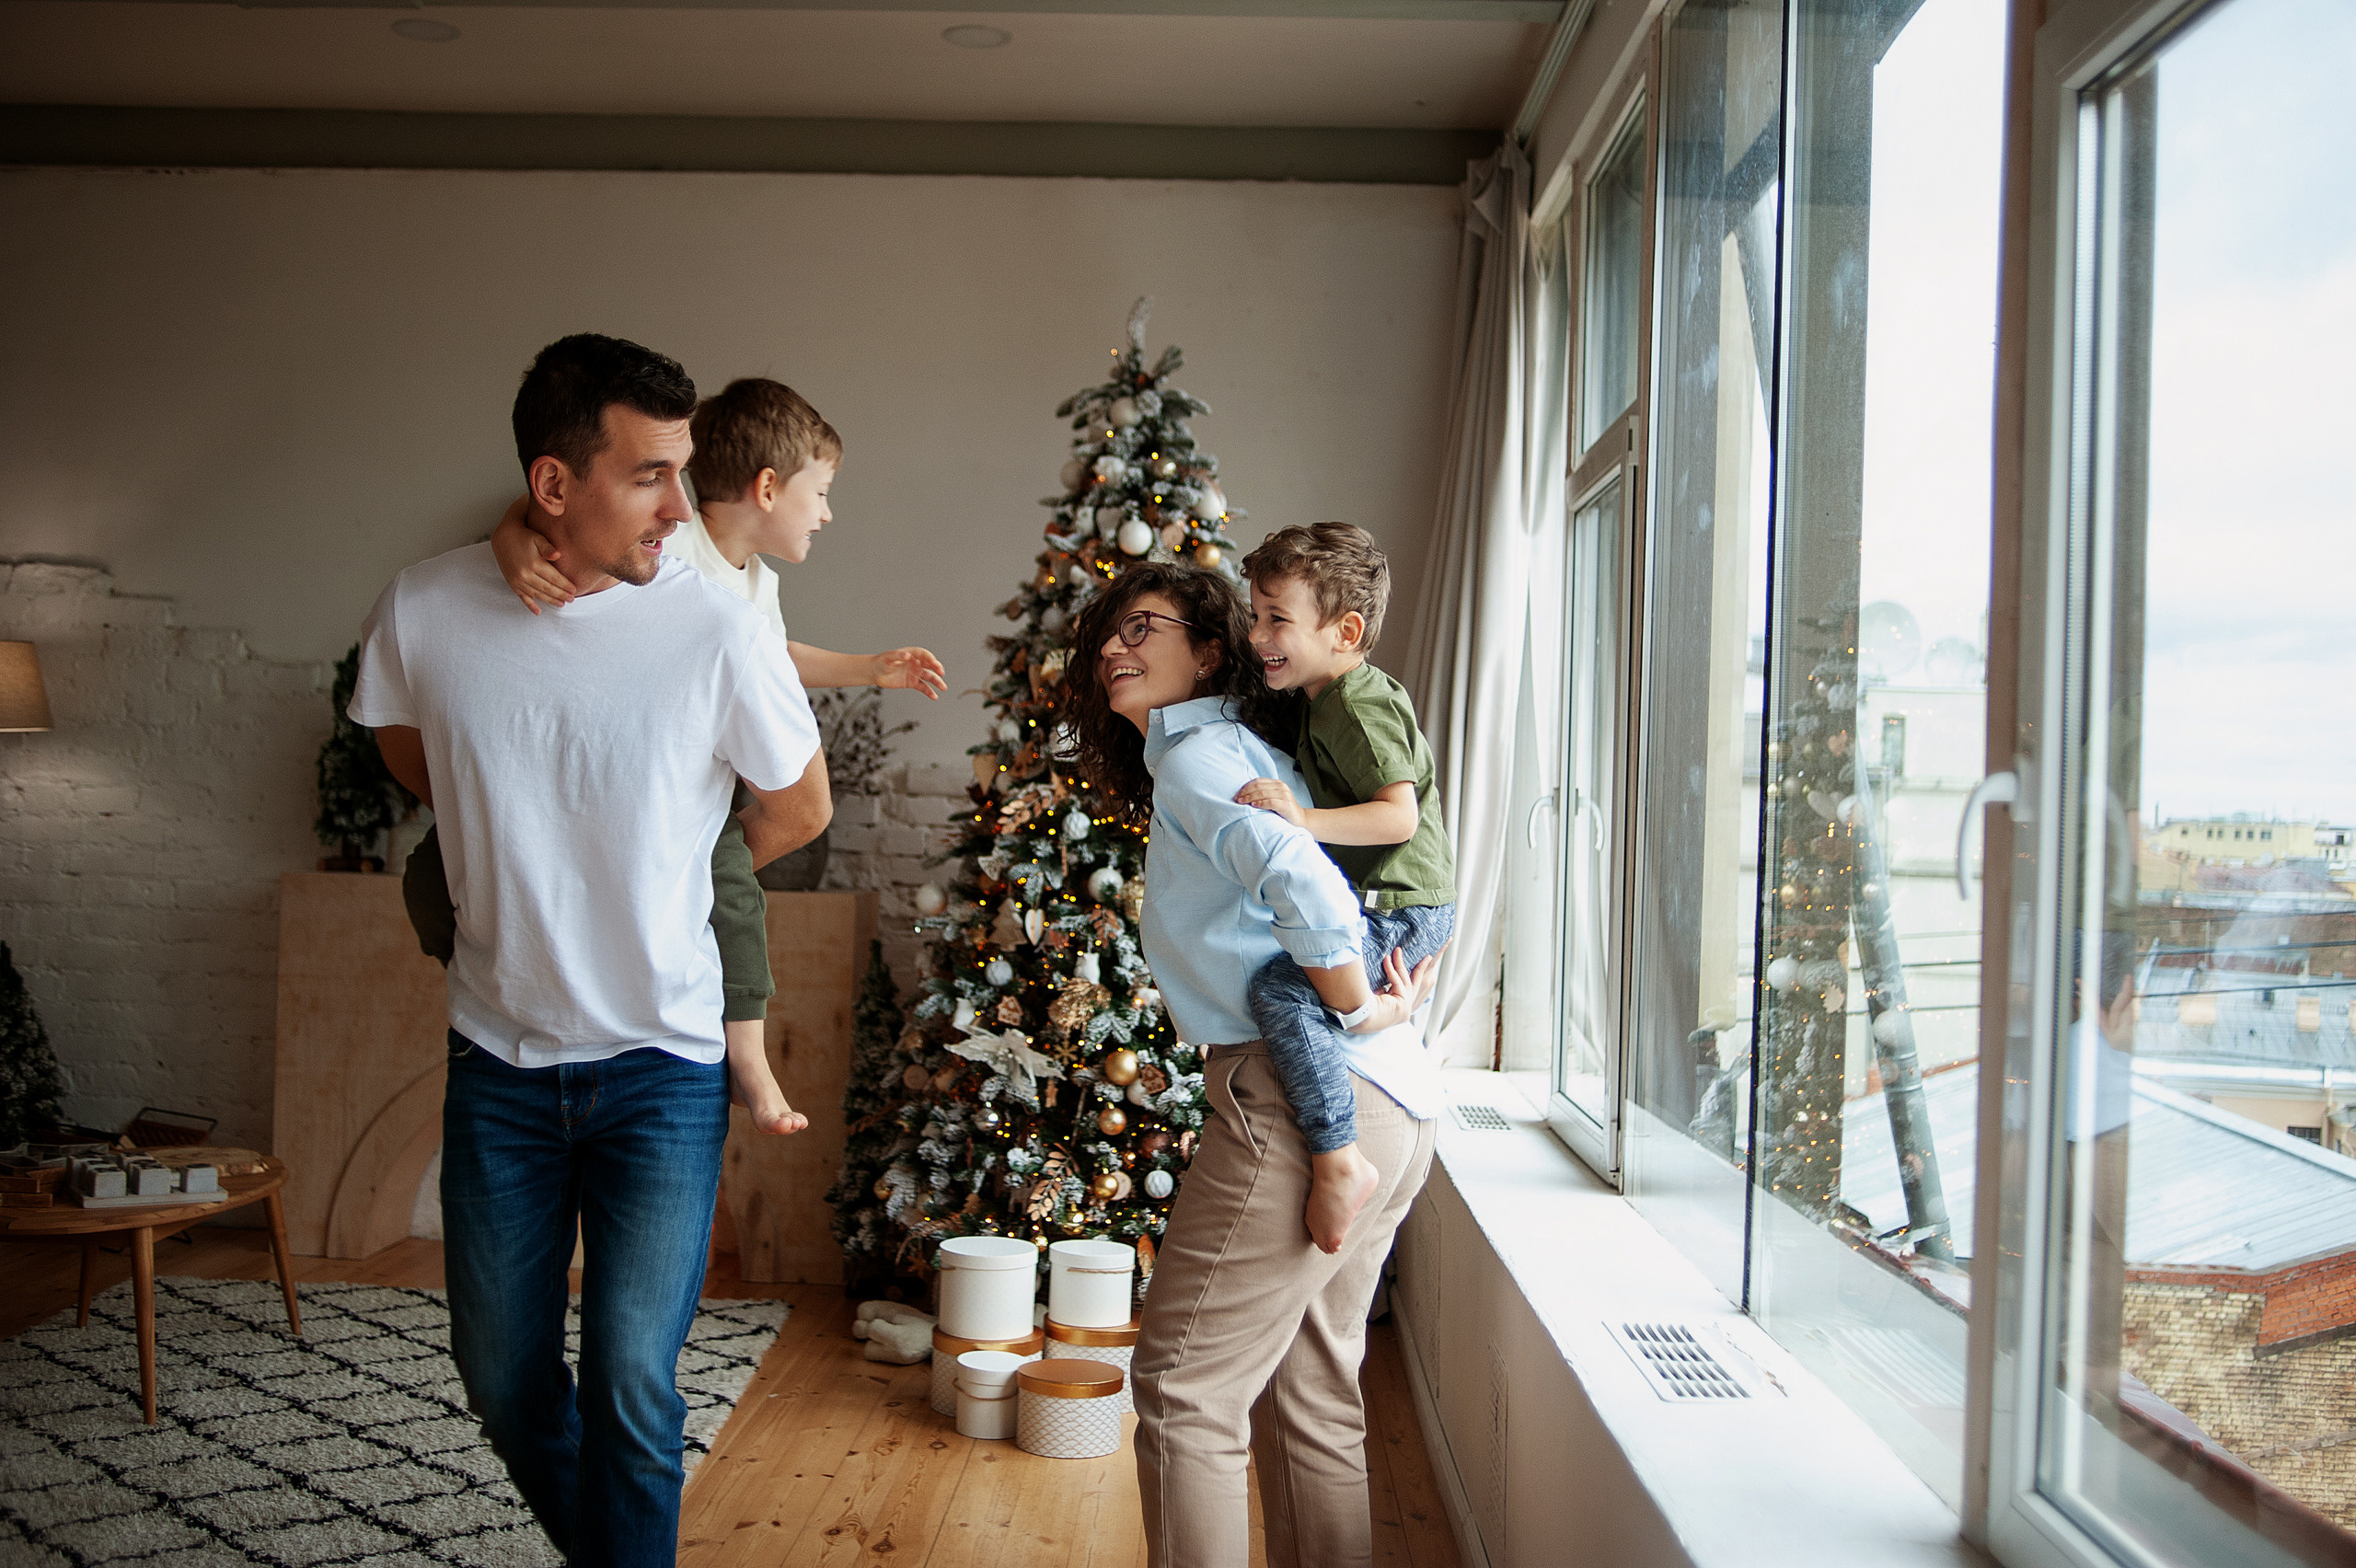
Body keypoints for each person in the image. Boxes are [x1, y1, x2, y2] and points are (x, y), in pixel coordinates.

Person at [352, 333, 830, 1568]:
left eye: (683, 472)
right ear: (552, 487)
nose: (681, 504)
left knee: (631, 1380)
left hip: (661, 1072)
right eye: (649, 475)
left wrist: (663, 873)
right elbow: (415, 757)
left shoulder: (715, 627)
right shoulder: (424, 607)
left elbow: (797, 808)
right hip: (498, 1068)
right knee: (503, 1381)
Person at [399, 375, 946, 1137]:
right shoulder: (666, 545)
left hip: (684, 812)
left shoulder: (751, 587)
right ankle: (474, 970)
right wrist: (509, 536)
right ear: (765, 487)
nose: (827, 512)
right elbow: (549, 521)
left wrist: (868, 668)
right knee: (433, 868)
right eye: (819, 492)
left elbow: (772, 661)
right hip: (566, 799)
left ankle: (746, 1056)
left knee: (730, 898)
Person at [1062, 561, 1444, 1568]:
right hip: (1398, 1102)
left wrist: (1354, 1008)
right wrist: (1371, 1019)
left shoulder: (1200, 754)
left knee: (1182, 1390)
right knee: (1313, 1391)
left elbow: (1297, 873)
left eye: (1143, 627)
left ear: (1212, 650)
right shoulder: (1237, 750)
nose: (1114, 647)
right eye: (1108, 631)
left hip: (1304, 1091)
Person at [1231, 522, 1457, 1254]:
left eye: (1276, 620)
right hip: (1387, 897)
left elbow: (1399, 816)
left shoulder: (1359, 703)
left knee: (1284, 990)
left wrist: (1302, 819)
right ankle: (1375, 1022)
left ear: (1346, 630)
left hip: (1405, 900)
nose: (1257, 633)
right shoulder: (1319, 694)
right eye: (1254, 613)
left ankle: (1340, 1158)